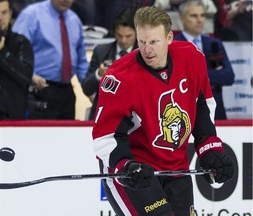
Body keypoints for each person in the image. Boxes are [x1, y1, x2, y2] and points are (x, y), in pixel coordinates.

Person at [92, 6, 235, 215]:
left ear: (169, 37)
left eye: (153, 42)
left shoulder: (192, 58)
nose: (147, 50)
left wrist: (209, 148)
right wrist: (126, 165)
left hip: (176, 165)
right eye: (142, 42)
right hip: (137, 171)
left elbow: (201, 107)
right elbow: (106, 136)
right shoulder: (119, 77)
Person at [12, 0, 88, 119]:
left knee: (67, 136)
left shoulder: (74, 20)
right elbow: (14, 50)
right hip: (38, 89)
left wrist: (91, 90)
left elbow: (81, 61)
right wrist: (30, 76)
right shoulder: (31, 15)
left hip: (67, 92)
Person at [174, 0, 235, 119]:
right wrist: (214, 74)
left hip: (216, 111)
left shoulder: (214, 44)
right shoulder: (174, 45)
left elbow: (229, 76)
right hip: (186, 111)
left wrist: (195, 76)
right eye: (194, 15)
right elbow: (176, 78)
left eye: (202, 15)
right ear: (182, 19)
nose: (200, 20)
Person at [82, 9, 138, 120]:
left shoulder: (145, 54)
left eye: (128, 36)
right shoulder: (101, 52)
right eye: (119, 35)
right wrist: (98, 74)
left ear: (137, 33)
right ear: (114, 32)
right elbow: (86, 89)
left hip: (134, 117)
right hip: (104, 116)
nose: (123, 40)